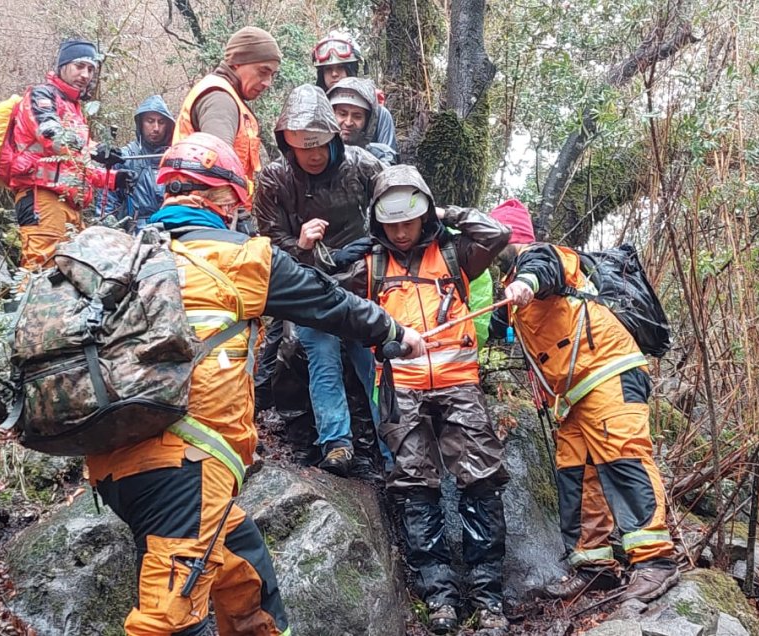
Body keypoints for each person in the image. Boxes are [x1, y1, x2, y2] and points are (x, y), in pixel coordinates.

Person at [86, 133, 425, 636]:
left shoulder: (128, 257)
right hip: (186, 461)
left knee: (243, 573)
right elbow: (327, 301)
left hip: (110, 451)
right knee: (170, 621)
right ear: (224, 199)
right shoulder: (237, 257)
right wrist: (395, 332)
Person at [333, 164, 511, 634]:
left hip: (459, 384)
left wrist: (447, 210)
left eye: (408, 220)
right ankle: (440, 597)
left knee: (480, 480)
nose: (401, 231)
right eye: (391, 223)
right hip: (401, 389)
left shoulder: (455, 252)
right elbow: (326, 294)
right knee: (415, 486)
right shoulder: (369, 265)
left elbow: (497, 232)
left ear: (424, 215)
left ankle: (489, 597)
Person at [499, 210, 680, 603]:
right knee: (575, 475)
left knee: (623, 457)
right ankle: (593, 565)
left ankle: (655, 562)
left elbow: (543, 268)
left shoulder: (542, 256)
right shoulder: (509, 288)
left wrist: (527, 282)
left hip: (608, 373)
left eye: (500, 237)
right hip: (574, 395)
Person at [253, 84, 384, 477]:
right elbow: (269, 246)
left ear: (333, 139)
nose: (310, 154)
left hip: (361, 277)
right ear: (286, 144)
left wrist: (362, 249)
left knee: (371, 359)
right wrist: (303, 244)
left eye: (318, 144)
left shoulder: (363, 165)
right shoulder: (274, 180)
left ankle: (391, 442)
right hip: (308, 283)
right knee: (320, 355)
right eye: (300, 146)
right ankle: (336, 443)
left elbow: (393, 216)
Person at [6, 39, 129, 270]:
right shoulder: (41, 96)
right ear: (63, 66)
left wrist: (112, 178)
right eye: (79, 66)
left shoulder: (75, 109)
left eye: (91, 69)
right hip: (41, 197)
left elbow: (76, 164)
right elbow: (50, 133)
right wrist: (94, 150)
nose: (85, 74)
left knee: (68, 275)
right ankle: (22, 306)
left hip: (71, 204)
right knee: (41, 267)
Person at [174, 25, 282, 220]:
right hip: (207, 218)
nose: (267, 82)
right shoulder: (220, 100)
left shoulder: (229, 97)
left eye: (272, 75)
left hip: (211, 216)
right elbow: (216, 173)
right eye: (263, 71)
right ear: (237, 63)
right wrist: (236, 225)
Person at [98, 95, 175, 230]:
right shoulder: (126, 157)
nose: (156, 128)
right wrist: (106, 231)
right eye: (150, 121)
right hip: (134, 232)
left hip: (171, 227)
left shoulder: (176, 157)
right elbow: (107, 202)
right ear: (141, 123)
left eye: (161, 122)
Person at [312, 31, 397, 152]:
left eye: (341, 67)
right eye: (328, 69)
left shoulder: (380, 114)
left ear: (352, 69)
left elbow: (389, 159)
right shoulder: (315, 112)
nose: (334, 74)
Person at [326, 76, 397, 163]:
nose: (348, 123)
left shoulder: (381, 154)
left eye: (357, 116)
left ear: (368, 121)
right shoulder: (320, 151)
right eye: (343, 114)